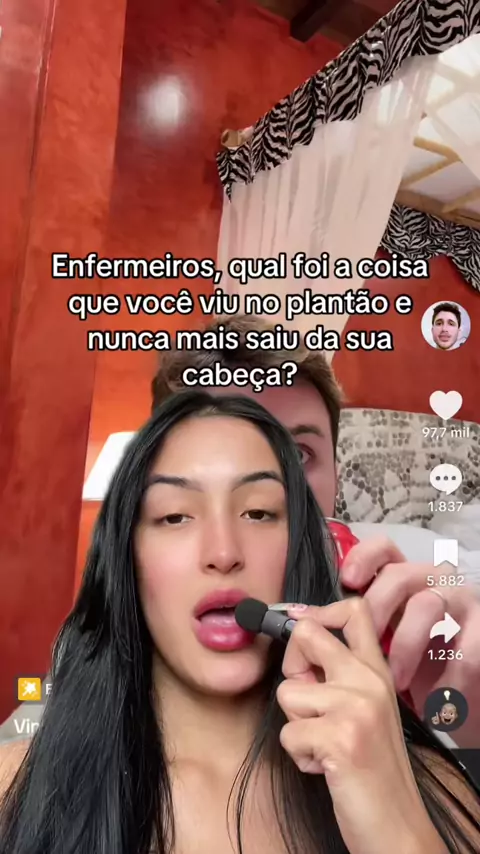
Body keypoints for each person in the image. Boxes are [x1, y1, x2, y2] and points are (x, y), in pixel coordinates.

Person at [0, 391, 479, 854]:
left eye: (259, 512)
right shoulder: (13, 786)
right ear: (127, 559)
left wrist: (399, 831)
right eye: (174, 516)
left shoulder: (424, 787)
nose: (224, 553)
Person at [152, 315, 480, 751]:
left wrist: (464, 724)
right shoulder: (125, 617)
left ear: (336, 476)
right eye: (225, 452)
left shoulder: (414, 593)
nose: (273, 490)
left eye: (300, 453)